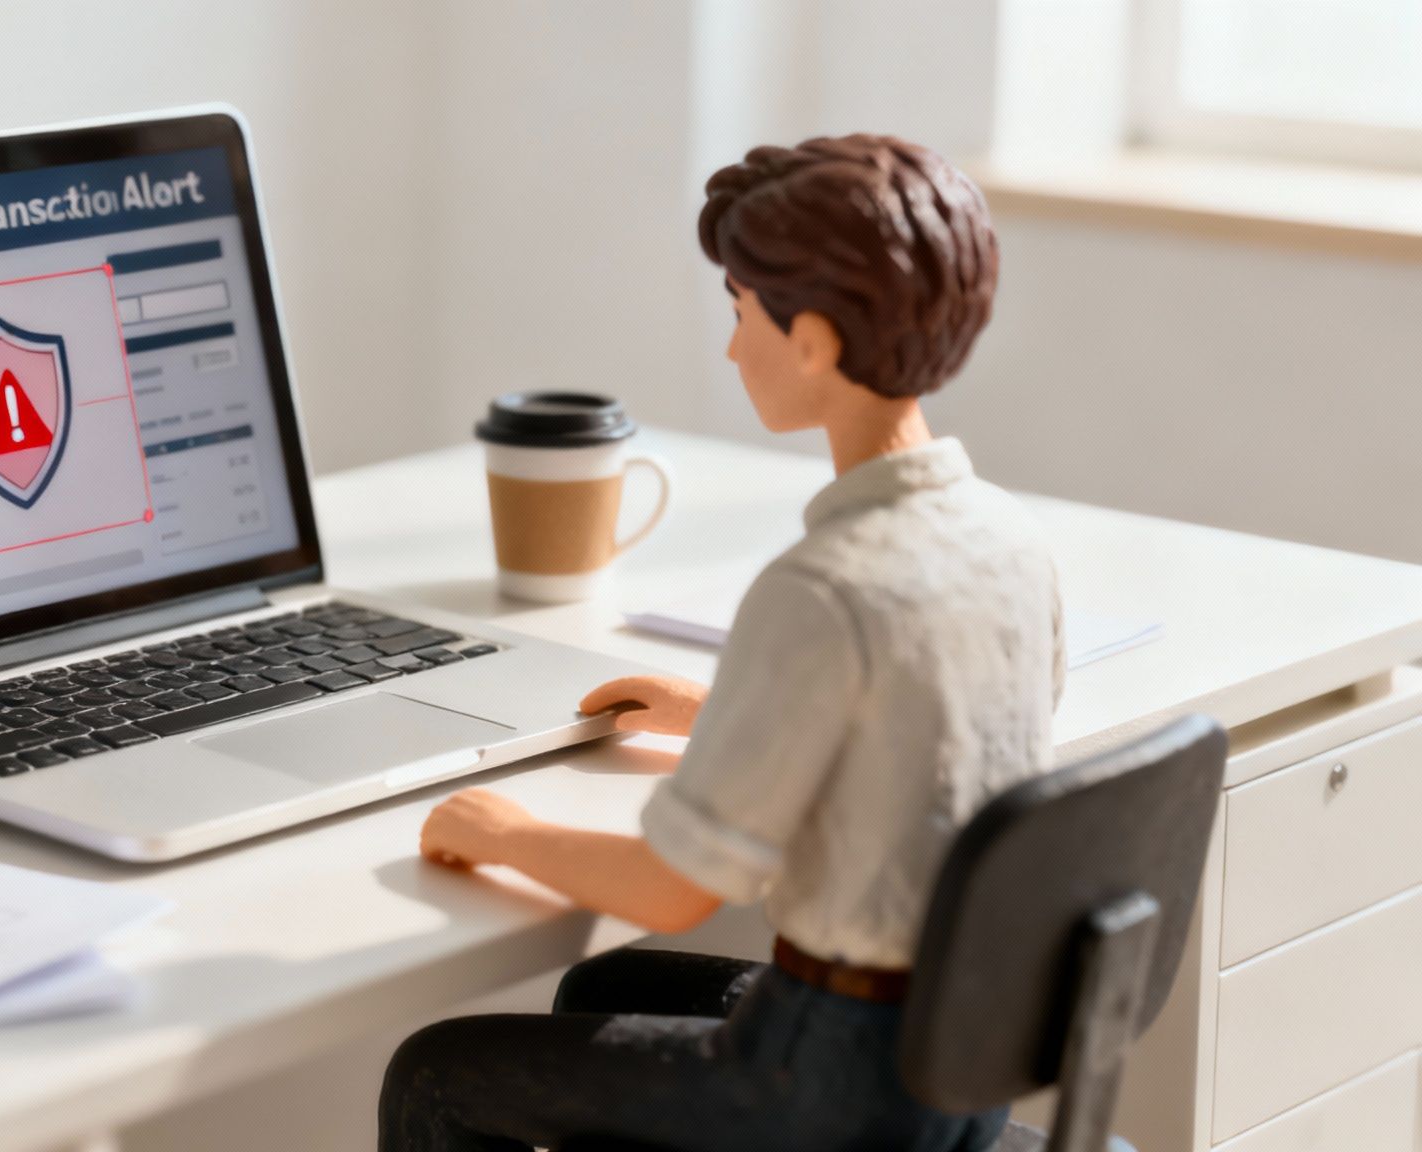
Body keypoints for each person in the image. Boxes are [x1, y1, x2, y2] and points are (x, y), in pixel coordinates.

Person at [379, 134, 1065, 1152]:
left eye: (741, 312)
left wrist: (498, 835)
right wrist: (722, 718)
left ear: (815, 341)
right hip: (963, 1057)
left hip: (836, 1087)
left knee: (433, 1072)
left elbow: (672, 887)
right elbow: (928, 738)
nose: (731, 346)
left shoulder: (823, 588)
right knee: (604, 986)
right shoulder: (1005, 535)